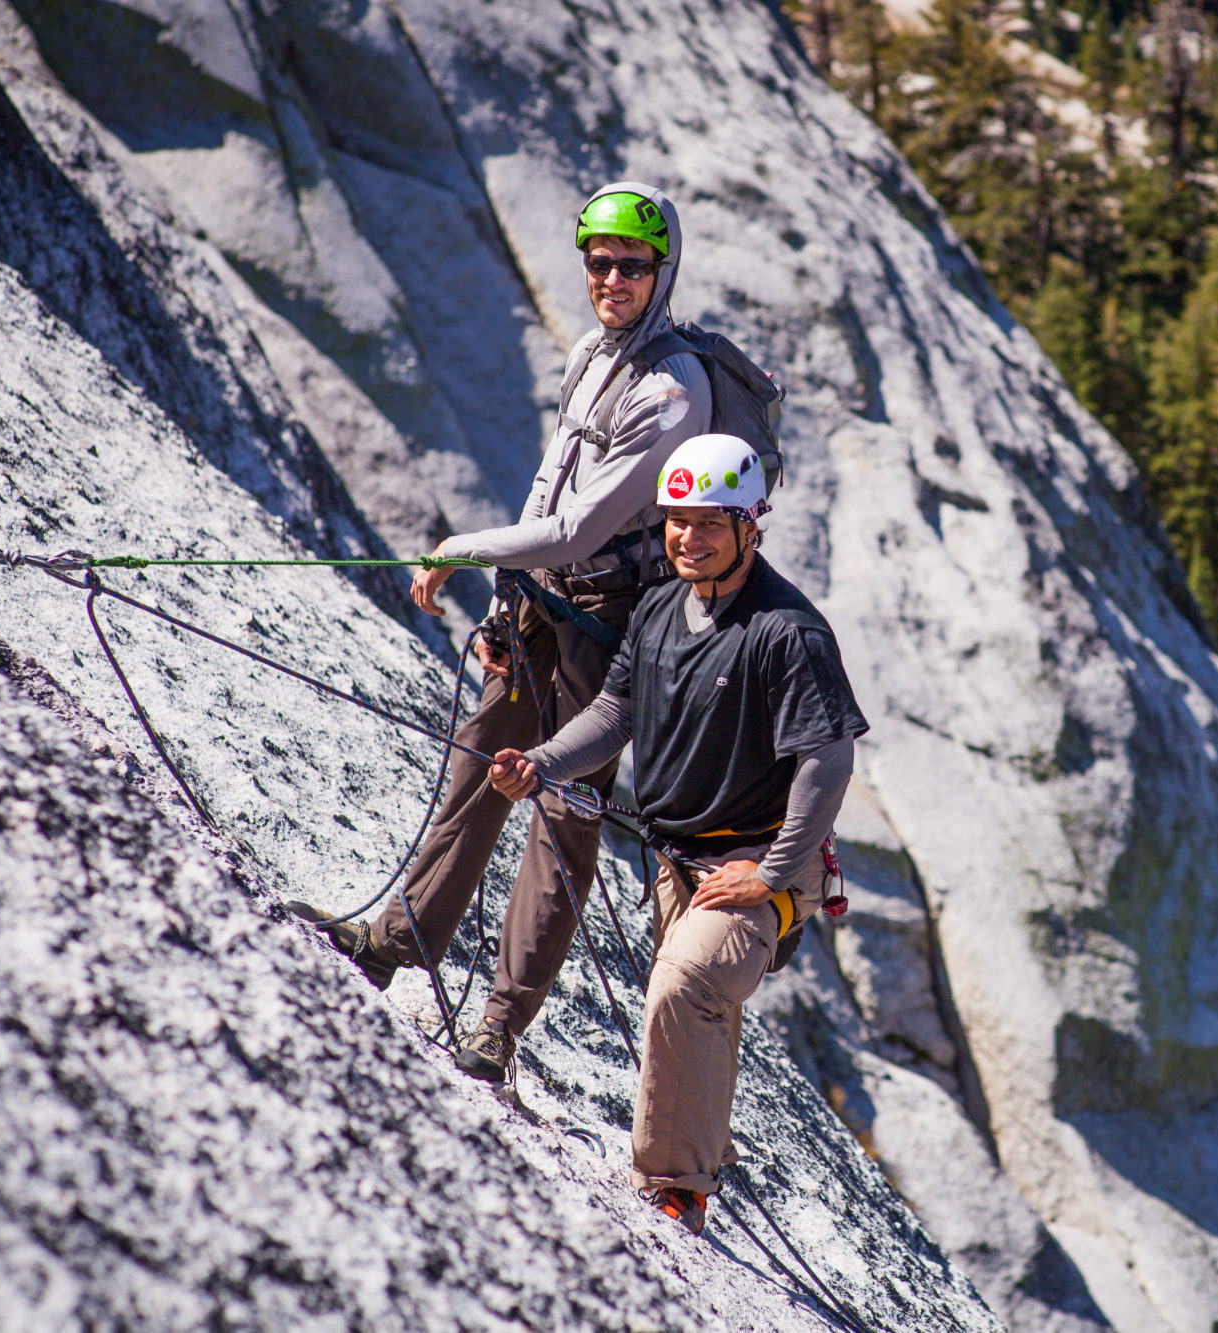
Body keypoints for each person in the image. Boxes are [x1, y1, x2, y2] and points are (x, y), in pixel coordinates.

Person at [291, 182, 712, 1083]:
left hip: (607, 626)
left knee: (563, 815)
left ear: (661, 270)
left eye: (631, 265)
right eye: (597, 261)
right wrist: (498, 594)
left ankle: (499, 1029)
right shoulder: (594, 354)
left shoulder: (675, 390)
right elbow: (547, 487)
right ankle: (397, 937)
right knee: (480, 757)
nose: (610, 278)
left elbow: (582, 529)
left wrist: (457, 549)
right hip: (539, 603)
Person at [487, 433, 868, 1235]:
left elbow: (828, 762)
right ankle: (696, 1162)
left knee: (686, 984)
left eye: (708, 524)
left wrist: (771, 873)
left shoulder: (786, 631)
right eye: (677, 522)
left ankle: (674, 1190)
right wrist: (546, 761)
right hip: (681, 859)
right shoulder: (661, 607)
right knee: (699, 1008)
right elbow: (617, 712)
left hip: (759, 866)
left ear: (748, 528)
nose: (687, 538)